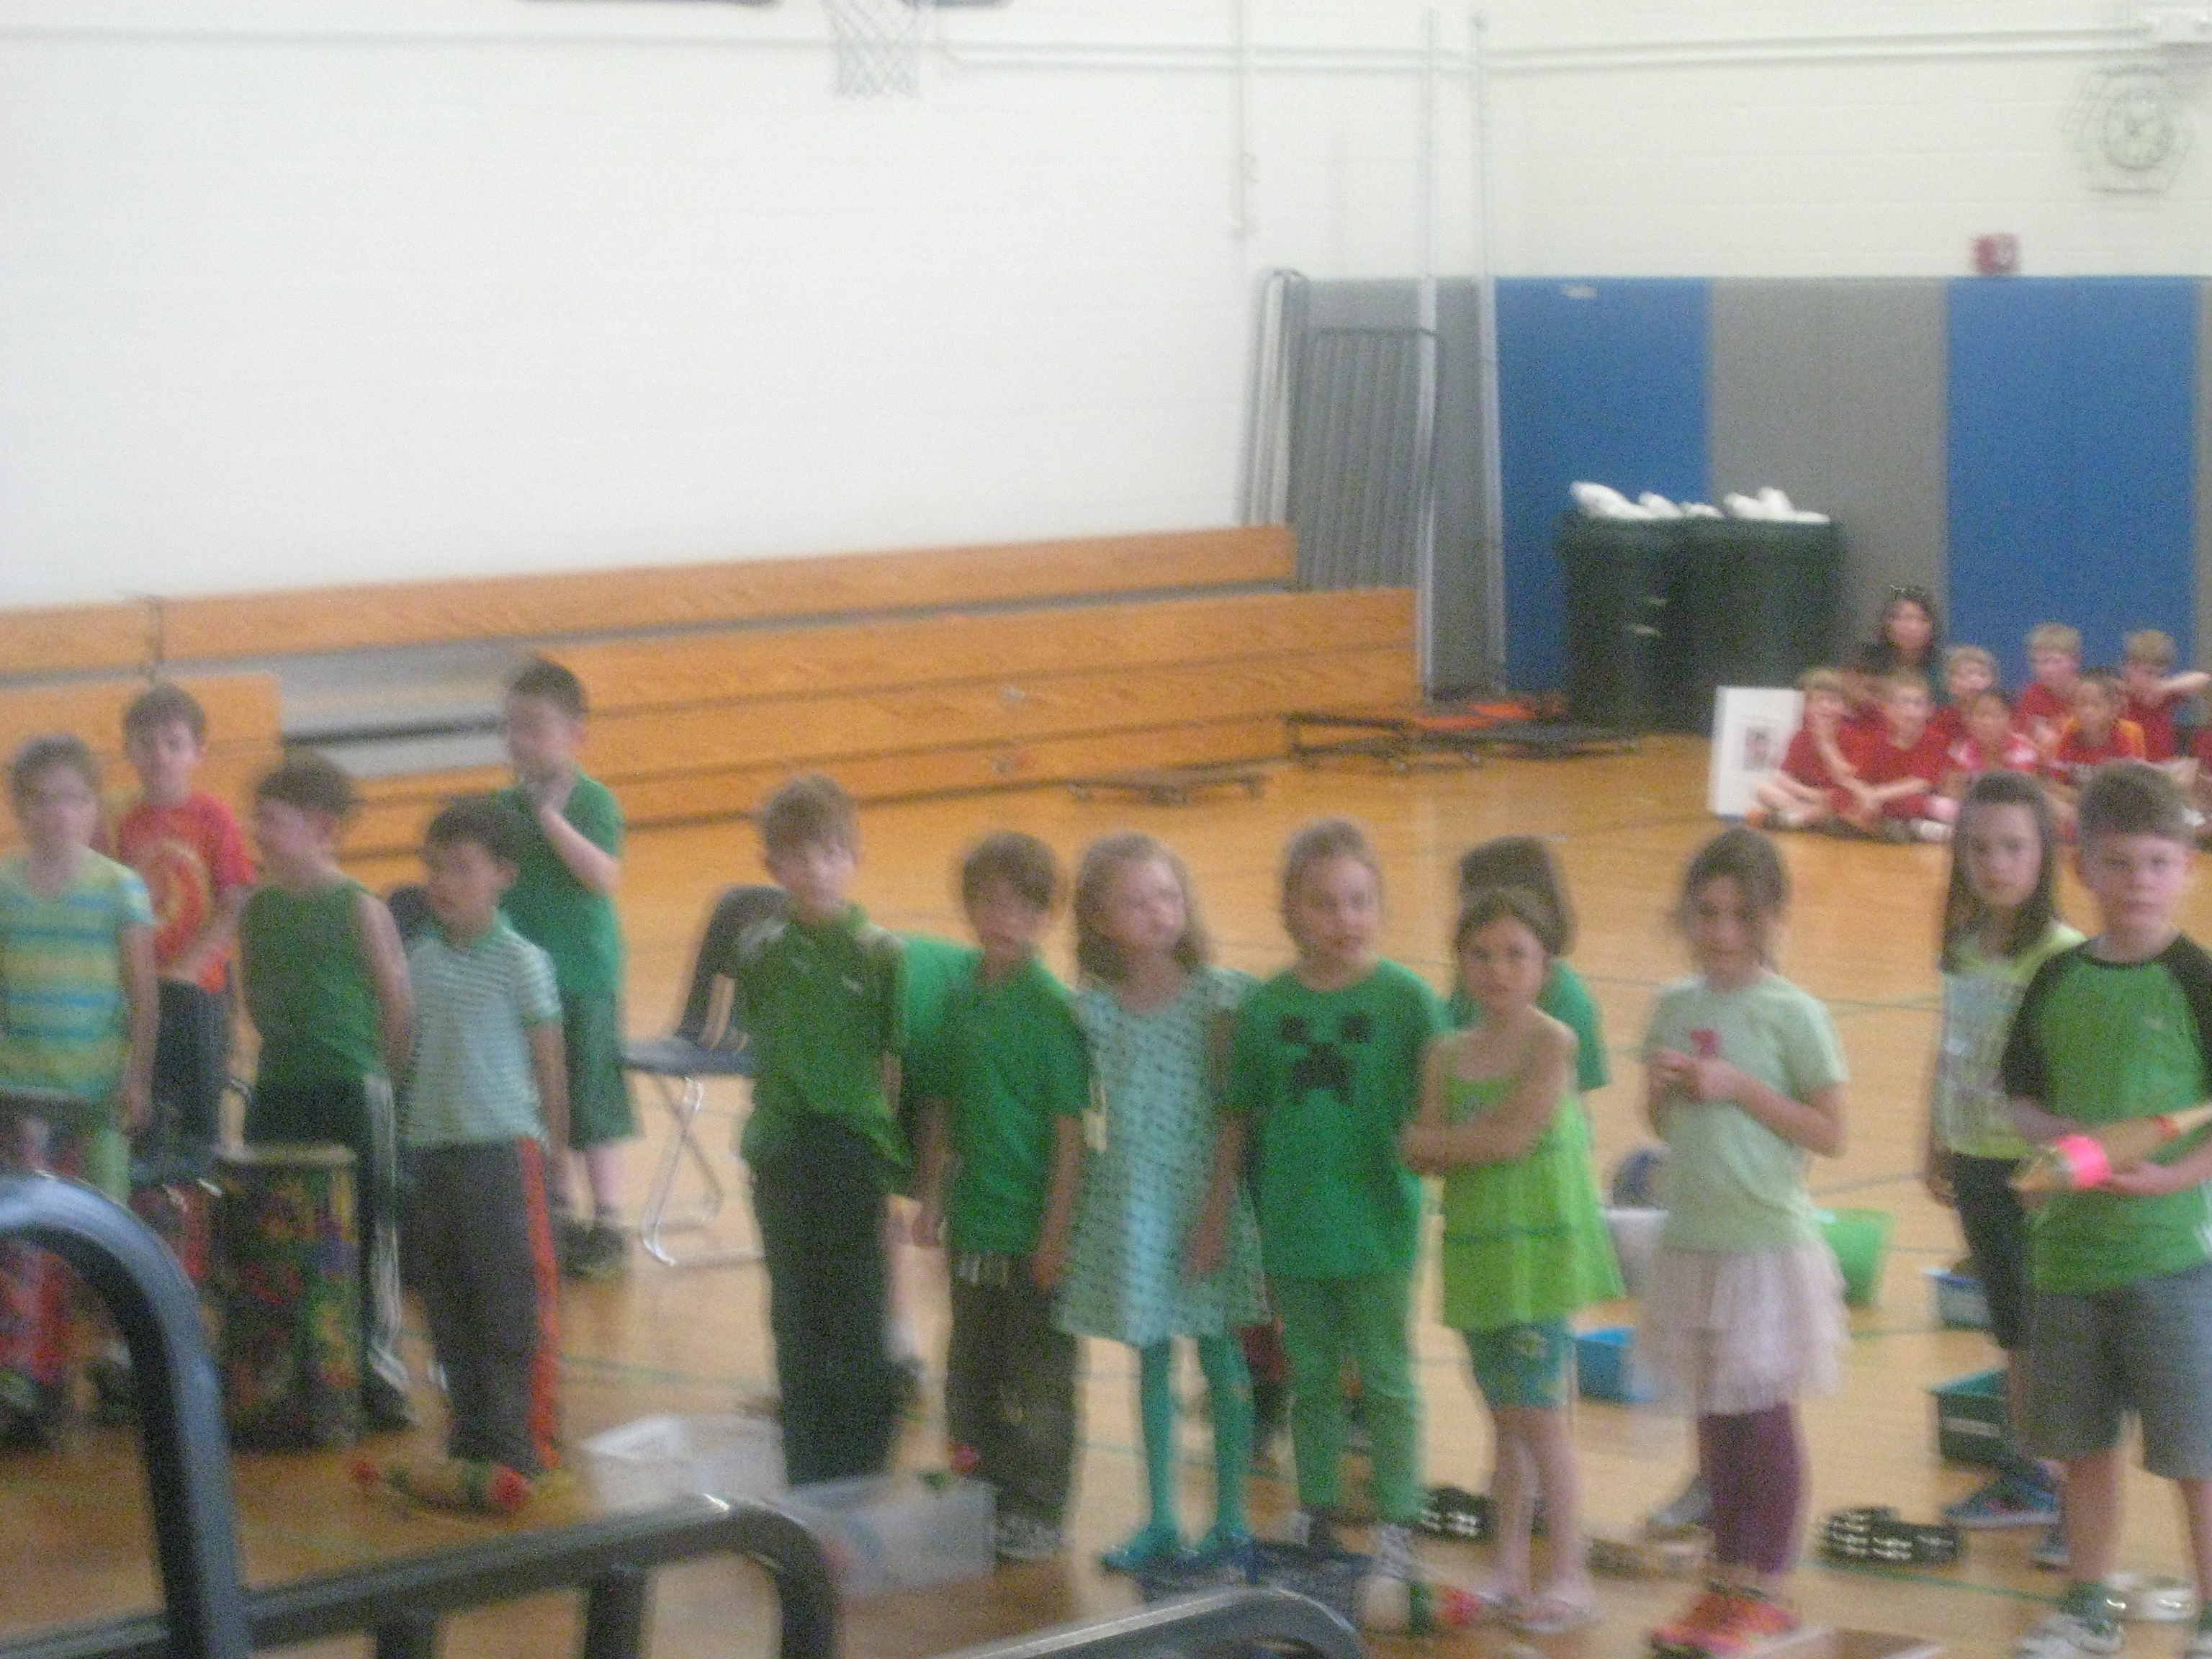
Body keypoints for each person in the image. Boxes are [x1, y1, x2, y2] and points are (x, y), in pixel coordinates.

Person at [2002, 763, 2212, 1659]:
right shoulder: (2056, 979)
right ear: (2083, 865)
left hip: (2173, 1262)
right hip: (2069, 1263)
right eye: (2119, 863)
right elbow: (2020, 1095)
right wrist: (2059, 1138)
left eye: (2158, 864)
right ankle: (2089, 1606)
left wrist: (2176, 1178)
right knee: (2083, 1448)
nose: (2138, 883)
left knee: (2197, 1456)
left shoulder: (2197, 980)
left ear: (2188, 867)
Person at [1640, 826, 1849, 1656]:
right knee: (1714, 1422)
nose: (1722, 932)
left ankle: (1766, 1586)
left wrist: (1738, 1087)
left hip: (1763, 1245)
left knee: (1762, 1419)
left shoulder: (1795, 1013)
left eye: (1740, 915)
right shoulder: (1675, 1005)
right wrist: (1664, 1093)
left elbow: (1830, 1131)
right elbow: (1662, 1123)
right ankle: (1723, 1579)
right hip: (1694, 1240)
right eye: (1707, 914)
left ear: (1769, 919)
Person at [1042, 831, 1264, 1572]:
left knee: (1222, 1358)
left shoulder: (1218, 999)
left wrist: (1215, 1212)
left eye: (1167, 895)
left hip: (1200, 1196)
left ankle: (1231, 1517)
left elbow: (1234, 1115)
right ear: (1101, 920)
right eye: (1136, 902)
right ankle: (1162, 1517)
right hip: (1133, 1201)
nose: (1158, 912)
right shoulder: (1095, 1013)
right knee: (1152, 1362)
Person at [1401, 886, 1620, 1635]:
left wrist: (1444, 1143)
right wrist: (1445, 1144)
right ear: (1460, 963)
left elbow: (1506, 1138)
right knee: (1503, 1418)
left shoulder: (1552, 1043)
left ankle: (1570, 1573)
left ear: (1544, 967)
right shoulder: (1444, 1054)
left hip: (1538, 1261)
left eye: (1515, 955)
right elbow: (1424, 1149)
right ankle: (1507, 1569)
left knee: (1541, 1418)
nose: (1498, 969)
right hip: (1480, 1257)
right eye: (1482, 954)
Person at [1228, 818, 1441, 1583]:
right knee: (1309, 1375)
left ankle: (1398, 1518)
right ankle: (1316, 1506)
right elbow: (1245, 1115)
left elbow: (1439, 1103)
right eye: (1324, 904)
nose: (1344, 919)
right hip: (1295, 1225)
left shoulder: (1408, 1000)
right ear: (1291, 910)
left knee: (1385, 1376)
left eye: (1359, 901)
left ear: (1379, 904)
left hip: (1380, 1223)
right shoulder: (1266, 1009)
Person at [909, 832, 1089, 1563]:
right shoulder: (958, 999)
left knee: (1041, 1376)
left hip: (1031, 1231)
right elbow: (941, 1107)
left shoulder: (1053, 1012)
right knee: (971, 1366)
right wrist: (930, 1198)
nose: (1004, 919)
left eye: (1022, 907)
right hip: (974, 1224)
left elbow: (1071, 1136)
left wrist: (1055, 1236)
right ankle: (976, 1488)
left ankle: (1039, 1509)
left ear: (1045, 916)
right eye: (989, 903)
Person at [1920, 773, 2081, 1563]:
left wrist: (2065, 1163)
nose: (1995, 863)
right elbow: (1948, 1044)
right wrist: (1934, 1135)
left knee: (2055, 1337)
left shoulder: (2064, 956)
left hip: (2036, 1173)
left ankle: (2074, 1500)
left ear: (2044, 854)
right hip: (1977, 1161)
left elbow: (2076, 1073)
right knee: (2013, 1329)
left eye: (2013, 847)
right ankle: (2031, 1474)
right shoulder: (1962, 947)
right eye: (1979, 848)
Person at [734, 773, 907, 1485]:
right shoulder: (760, 950)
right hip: (781, 1145)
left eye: (831, 853)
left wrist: (892, 1161)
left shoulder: (879, 953)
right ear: (772, 865)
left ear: (855, 858)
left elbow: (893, 1061)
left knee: (856, 1303)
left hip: (850, 1146)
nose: (816, 870)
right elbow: (762, 1037)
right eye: (799, 856)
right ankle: (806, 1461)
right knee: (793, 1305)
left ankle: (861, 1462)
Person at [238, 751, 416, 1431]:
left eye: (272, 820)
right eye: (257, 820)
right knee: (276, 1228)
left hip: (350, 1086)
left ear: (320, 827)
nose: (259, 832)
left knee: (367, 1225)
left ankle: (377, 1364)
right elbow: (255, 997)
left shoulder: (359, 907)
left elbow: (397, 1007)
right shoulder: (259, 909)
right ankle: (291, 1363)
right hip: (280, 1086)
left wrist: (381, 1079)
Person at [400, 796, 567, 1478]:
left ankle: (522, 1442)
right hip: (432, 1151)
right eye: (435, 867)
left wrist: (555, 1157)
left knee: (509, 1305)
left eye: (462, 867)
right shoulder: (419, 959)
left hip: (501, 1153)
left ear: (504, 875)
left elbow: (549, 1065)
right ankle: (469, 1435)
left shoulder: (522, 962)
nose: (443, 882)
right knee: (448, 1302)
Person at [0, 736, 156, 1444]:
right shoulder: (4, 887)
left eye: (73, 799)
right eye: (42, 800)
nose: (58, 813)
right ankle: (26, 1378)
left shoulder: (119, 888)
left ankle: (121, 1366)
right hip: (21, 1095)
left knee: (105, 1237)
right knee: (26, 1247)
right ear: (20, 808)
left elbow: (143, 994)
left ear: (94, 808)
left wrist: (138, 1077)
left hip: (96, 1095)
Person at [497, 658, 634, 1282]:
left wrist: (550, 819)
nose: (520, 740)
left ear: (576, 734)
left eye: (535, 727)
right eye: (511, 727)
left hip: (583, 977)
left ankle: (609, 1220)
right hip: (524, 981)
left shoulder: (594, 801)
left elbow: (601, 875)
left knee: (592, 1098)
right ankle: (557, 1207)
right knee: (540, 1095)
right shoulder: (501, 807)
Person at [112, 683, 254, 1168]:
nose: (160, 754)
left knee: (200, 1115)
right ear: (129, 750)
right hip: (140, 989)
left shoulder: (212, 816)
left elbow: (234, 899)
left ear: (198, 751)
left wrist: (192, 965)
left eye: (174, 743)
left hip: (201, 989)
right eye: (146, 742)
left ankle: (202, 1197)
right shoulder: (121, 821)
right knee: (143, 1111)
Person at [1839, 671, 1951, 842]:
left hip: (1907, 800)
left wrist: (1876, 795)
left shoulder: (1935, 740)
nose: (1911, 711)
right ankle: (1885, 828)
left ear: (1930, 710)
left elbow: (1922, 782)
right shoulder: (1875, 738)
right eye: (1904, 703)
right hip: (1879, 802)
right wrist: (1866, 794)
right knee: (1841, 796)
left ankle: (1890, 828)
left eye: (1918, 704)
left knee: (1919, 803)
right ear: (1886, 709)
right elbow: (1853, 777)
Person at [1749, 669, 1857, 833]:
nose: (1825, 706)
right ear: (1807, 707)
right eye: (1819, 700)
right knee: (1762, 788)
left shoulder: (1852, 737)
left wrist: (1826, 743)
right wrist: (1813, 795)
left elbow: (1848, 779)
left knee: (1843, 801)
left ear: (1844, 707)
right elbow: (1784, 776)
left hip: (1836, 797)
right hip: (1810, 797)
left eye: (1833, 701)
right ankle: (1803, 816)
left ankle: (1791, 819)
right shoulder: (1801, 737)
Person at [2044, 674, 2147, 837]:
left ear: (2113, 710)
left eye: (2095, 705)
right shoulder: (2069, 733)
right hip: (2080, 804)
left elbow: (2132, 788)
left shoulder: (2128, 734)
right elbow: (2054, 783)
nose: (2087, 711)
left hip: (2117, 807)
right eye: (2081, 704)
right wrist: (2082, 799)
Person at [2119, 630, 2206, 786]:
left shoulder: (2165, 695)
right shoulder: (2119, 695)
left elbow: (2203, 680)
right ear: (2129, 668)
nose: (2154, 680)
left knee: (2191, 767)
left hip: (2163, 766)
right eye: (2148, 673)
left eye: (2160, 675)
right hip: (2130, 768)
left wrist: (2165, 687)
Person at [1943, 689, 2041, 798]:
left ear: (2011, 719)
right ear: (1969, 720)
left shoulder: (2023, 749)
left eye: (1996, 715)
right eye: (1981, 715)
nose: (1987, 722)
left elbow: (2024, 792)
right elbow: (1952, 793)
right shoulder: (1963, 752)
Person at [2019, 624, 2085, 758]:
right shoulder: (2032, 695)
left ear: (2076, 661)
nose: (2047, 669)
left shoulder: (2090, 694)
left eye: (2055, 661)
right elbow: (2022, 741)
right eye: (2039, 662)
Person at [1859, 585, 1943, 682]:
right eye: (1906, 618)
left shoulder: (1943, 668)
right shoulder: (1864, 663)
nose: (1913, 627)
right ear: (1887, 622)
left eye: (1923, 620)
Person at [1933, 646, 2002, 752]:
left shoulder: (2005, 718)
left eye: (1982, 675)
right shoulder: (1943, 721)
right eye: (1965, 675)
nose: (1974, 680)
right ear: (1950, 684)